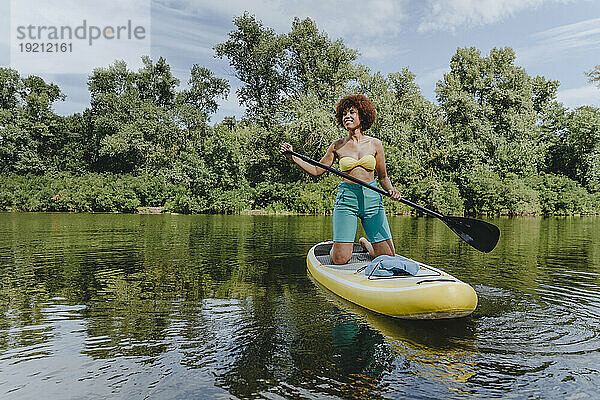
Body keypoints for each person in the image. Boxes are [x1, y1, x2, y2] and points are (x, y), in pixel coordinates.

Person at [280, 94, 401, 264]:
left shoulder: (375, 144)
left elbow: (383, 177)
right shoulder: (337, 145)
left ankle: (365, 244)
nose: (347, 116)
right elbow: (316, 170)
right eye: (344, 113)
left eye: (352, 112)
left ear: (362, 115)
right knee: (341, 259)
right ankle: (337, 245)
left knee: (388, 256)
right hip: (347, 199)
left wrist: (391, 190)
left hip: (373, 199)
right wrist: (293, 157)